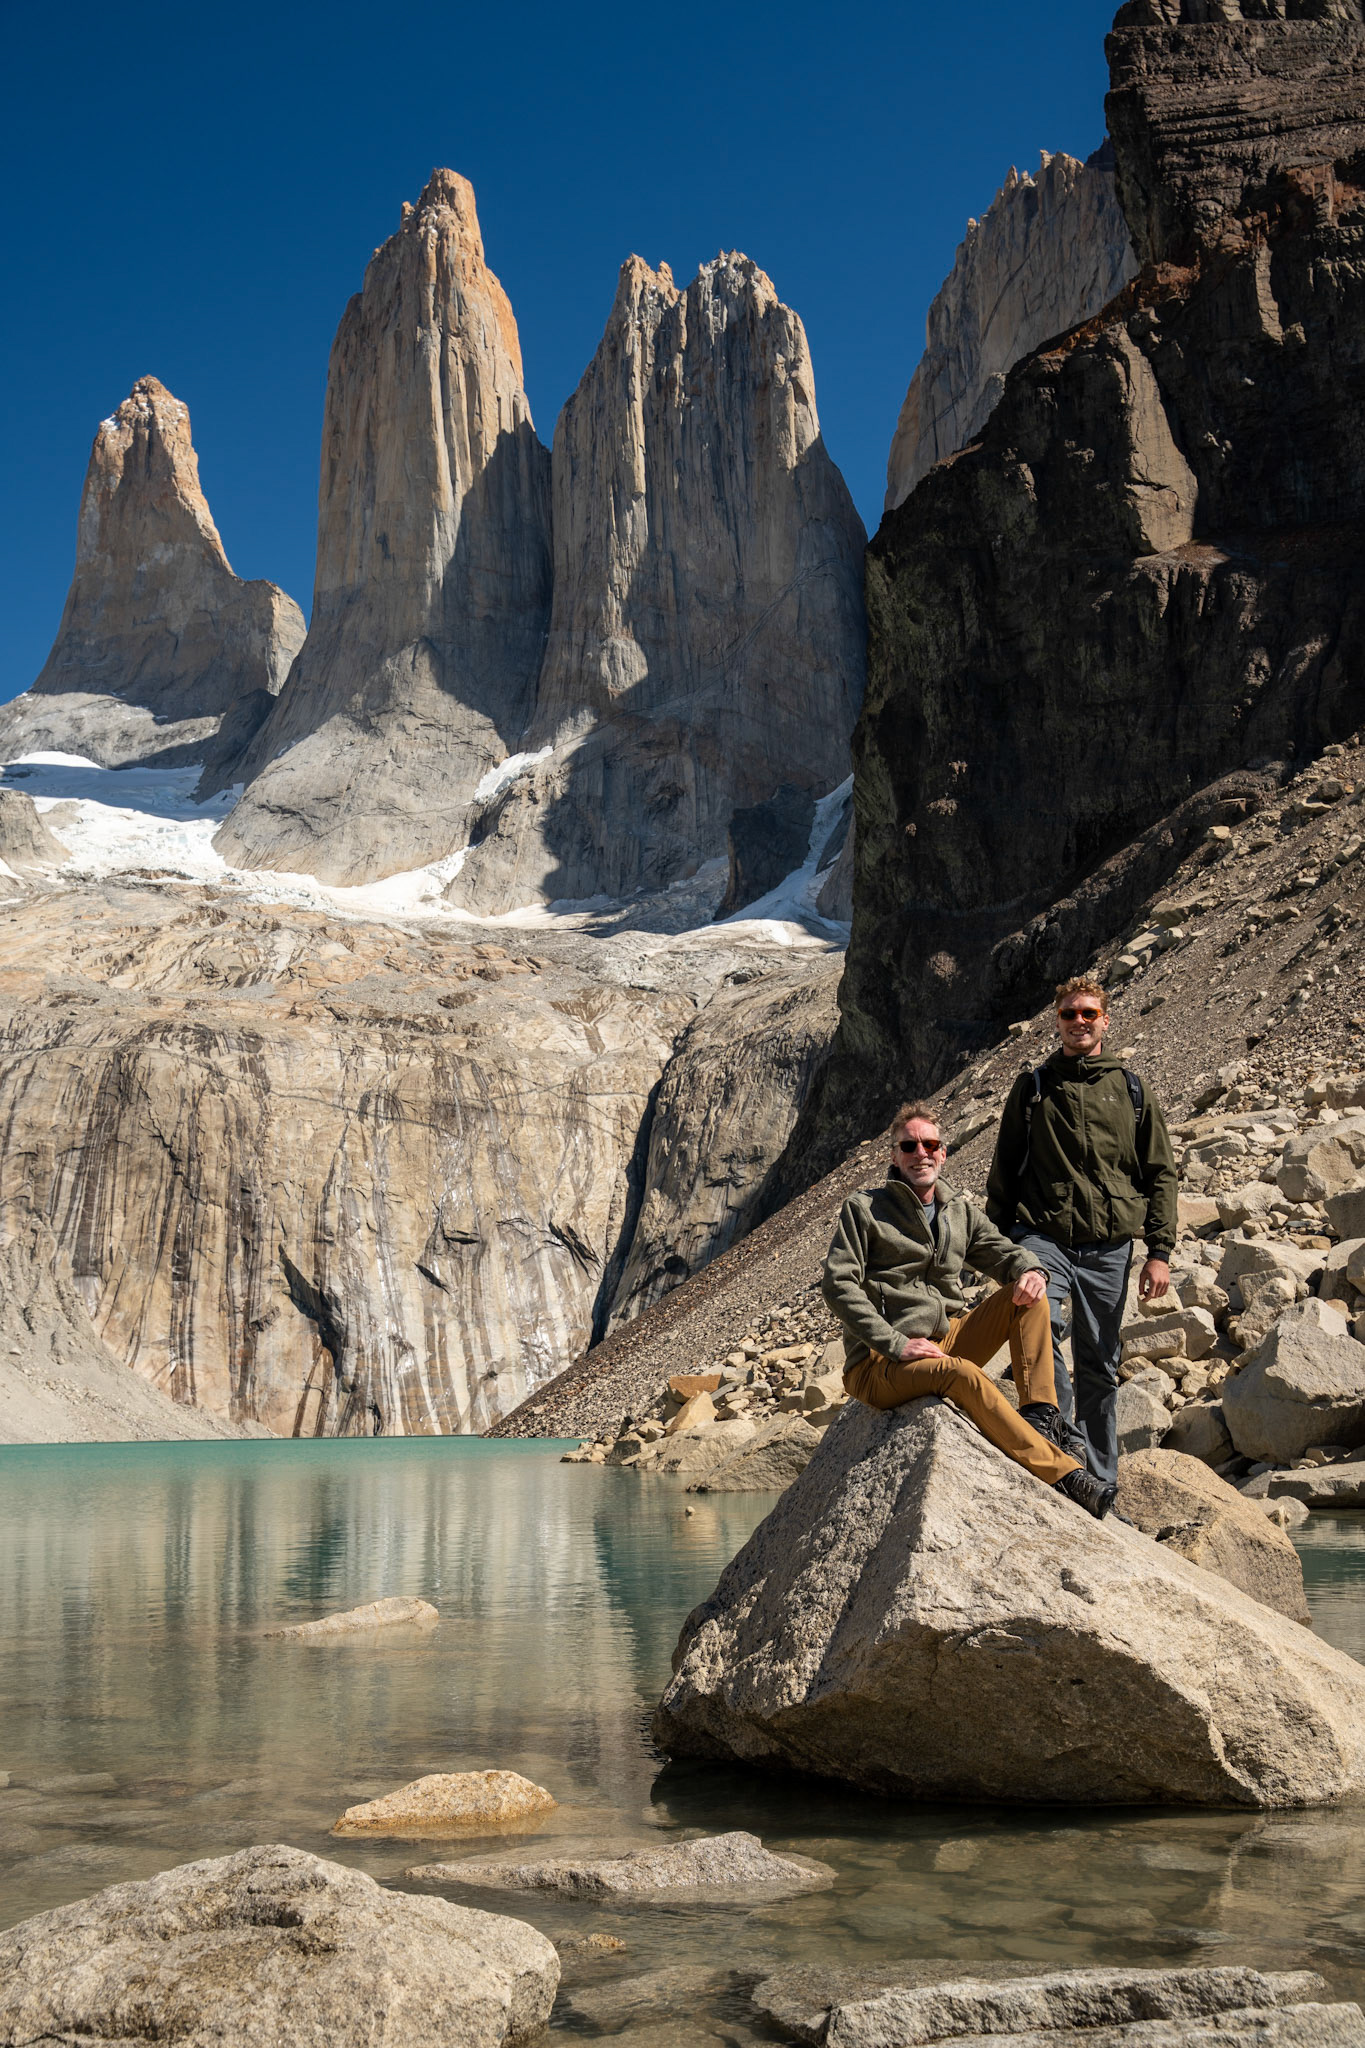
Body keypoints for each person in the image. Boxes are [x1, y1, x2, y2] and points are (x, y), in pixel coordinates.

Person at [822, 1100, 1116, 1517]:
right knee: (961, 1374)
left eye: (930, 1144)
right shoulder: (864, 1209)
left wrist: (1033, 1270)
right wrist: (896, 1343)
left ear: (943, 1152)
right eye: (908, 1146)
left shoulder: (957, 1211)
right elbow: (838, 1285)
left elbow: (1004, 1253)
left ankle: (1040, 1417)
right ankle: (1066, 1476)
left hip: (946, 1339)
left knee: (1028, 1294)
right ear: (894, 1156)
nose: (920, 1153)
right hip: (878, 1364)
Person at [985, 975, 1178, 1488]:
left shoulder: (1131, 1090)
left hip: (1109, 1245)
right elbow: (1004, 1171)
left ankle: (1099, 1481)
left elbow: (1160, 1172)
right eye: (1069, 1013)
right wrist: (997, 1249)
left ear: (1105, 1021)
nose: (1078, 1021)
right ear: (1057, 1022)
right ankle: (1061, 1451)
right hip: (1042, 1235)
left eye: (1088, 1013)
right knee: (1039, 1323)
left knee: (1100, 1362)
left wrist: (1159, 1250)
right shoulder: (1034, 1087)